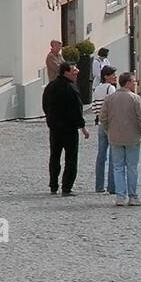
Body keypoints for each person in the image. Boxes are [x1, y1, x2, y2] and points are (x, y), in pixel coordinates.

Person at [41, 61, 89, 195]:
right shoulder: (71, 88)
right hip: (69, 129)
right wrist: (82, 127)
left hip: (55, 128)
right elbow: (77, 110)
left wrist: (50, 119)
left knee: (54, 157)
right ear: (66, 72)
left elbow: (45, 105)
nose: (77, 72)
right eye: (74, 70)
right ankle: (66, 187)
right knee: (71, 158)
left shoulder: (50, 86)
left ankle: (53, 185)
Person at [102, 71, 141, 206]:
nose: (135, 83)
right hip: (132, 137)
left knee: (118, 167)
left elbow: (103, 117)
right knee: (132, 167)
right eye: (134, 81)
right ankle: (133, 196)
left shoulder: (110, 98)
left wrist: (108, 130)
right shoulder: (135, 98)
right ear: (127, 83)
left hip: (115, 137)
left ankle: (120, 196)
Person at [92, 65, 117, 195]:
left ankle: (99, 185)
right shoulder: (110, 88)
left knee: (101, 155)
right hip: (111, 124)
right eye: (113, 74)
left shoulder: (97, 89)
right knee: (113, 155)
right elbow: (114, 106)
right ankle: (112, 186)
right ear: (106, 76)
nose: (115, 76)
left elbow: (94, 107)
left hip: (101, 124)